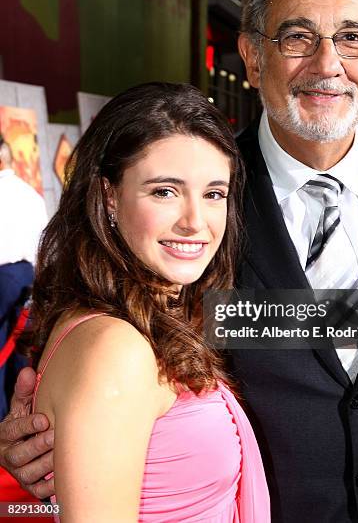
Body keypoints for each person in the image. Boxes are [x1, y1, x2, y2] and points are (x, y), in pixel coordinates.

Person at [1, 0, 358, 522]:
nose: (328, 64)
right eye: (298, 37)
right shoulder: (198, 199)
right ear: (251, 52)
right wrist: (42, 431)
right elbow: (105, 341)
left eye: (352, 38)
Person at [1, 83, 270, 521]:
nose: (194, 223)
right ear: (109, 196)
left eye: (214, 194)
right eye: (165, 191)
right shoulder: (115, 347)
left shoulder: (161, 313)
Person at [0, 135, 47, 420]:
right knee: (19, 351)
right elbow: (42, 242)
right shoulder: (31, 194)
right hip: (28, 276)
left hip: (4, 275)